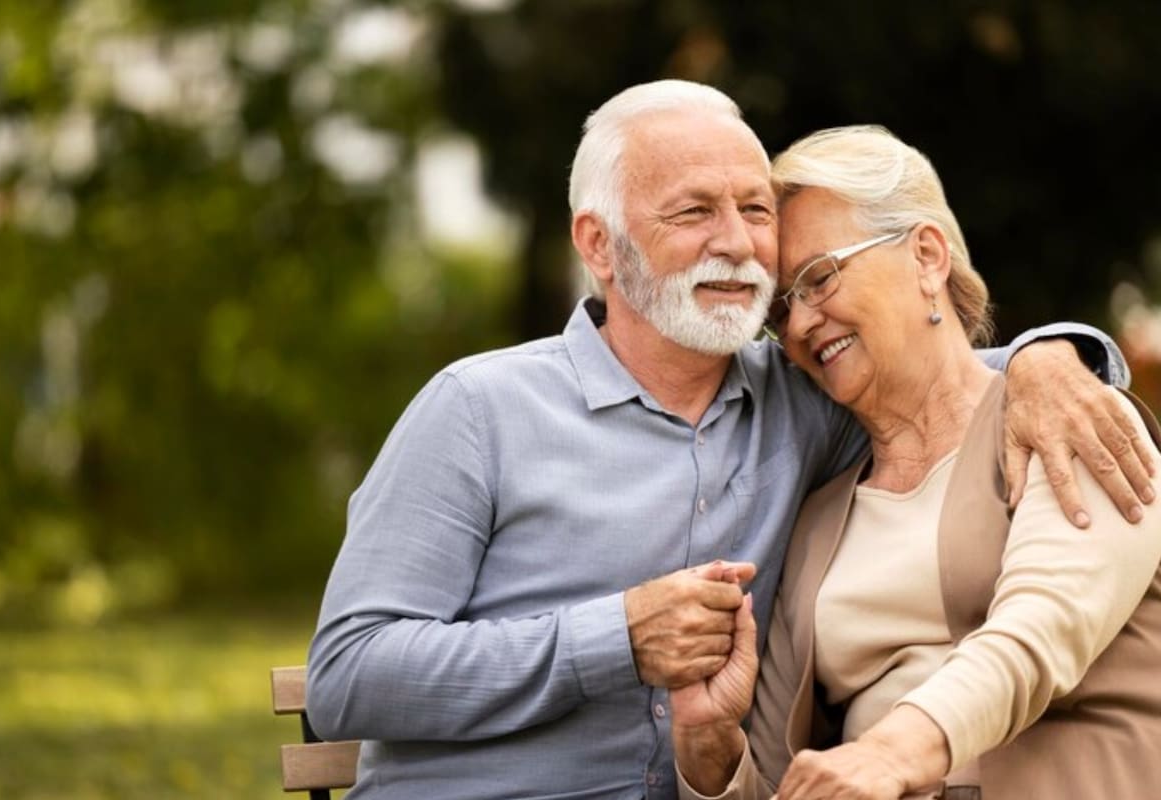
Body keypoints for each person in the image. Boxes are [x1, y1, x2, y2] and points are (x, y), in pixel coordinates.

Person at [306, 82, 1151, 800]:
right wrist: (614, 639)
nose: (738, 244)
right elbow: (345, 676)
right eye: (694, 211)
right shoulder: (478, 410)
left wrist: (1055, 357)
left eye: (754, 211)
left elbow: (936, 376)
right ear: (599, 244)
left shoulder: (807, 398)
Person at [670, 125, 1161, 800]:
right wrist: (709, 745)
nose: (800, 325)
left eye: (819, 279)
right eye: (780, 309)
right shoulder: (818, 520)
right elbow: (785, 782)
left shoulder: (1067, 415)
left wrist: (886, 756)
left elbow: (1040, 632)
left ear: (927, 256)